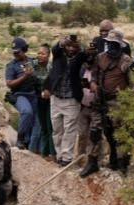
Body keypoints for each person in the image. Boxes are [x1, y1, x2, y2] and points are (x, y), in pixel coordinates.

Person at [82, 29, 133, 177]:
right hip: (100, 100)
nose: (111, 47)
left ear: (121, 45)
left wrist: (127, 100)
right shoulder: (100, 58)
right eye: (109, 44)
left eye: (115, 44)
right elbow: (94, 75)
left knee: (119, 134)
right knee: (95, 131)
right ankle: (92, 162)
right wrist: (93, 84)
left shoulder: (126, 61)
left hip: (118, 102)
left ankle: (122, 163)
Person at [46, 35, 84, 167]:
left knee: (69, 130)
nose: (71, 49)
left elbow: (86, 55)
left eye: (74, 46)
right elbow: (55, 49)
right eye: (68, 45)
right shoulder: (58, 55)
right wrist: (62, 42)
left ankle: (66, 158)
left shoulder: (80, 58)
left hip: (71, 100)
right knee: (57, 130)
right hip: (56, 98)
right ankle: (59, 155)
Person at [5, 37, 39, 150]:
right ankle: (20, 138)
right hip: (20, 94)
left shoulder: (33, 61)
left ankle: (30, 145)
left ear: (24, 49)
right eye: (14, 53)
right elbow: (9, 83)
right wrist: (25, 76)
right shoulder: (11, 65)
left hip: (34, 94)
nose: (16, 55)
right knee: (27, 112)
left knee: (34, 122)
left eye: (18, 52)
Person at [30, 45, 55, 158]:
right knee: (43, 126)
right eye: (38, 53)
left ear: (48, 55)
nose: (40, 55)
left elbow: (51, 81)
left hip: (50, 99)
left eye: (43, 54)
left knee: (50, 126)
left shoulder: (52, 67)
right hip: (39, 99)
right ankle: (44, 152)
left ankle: (53, 153)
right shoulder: (33, 65)